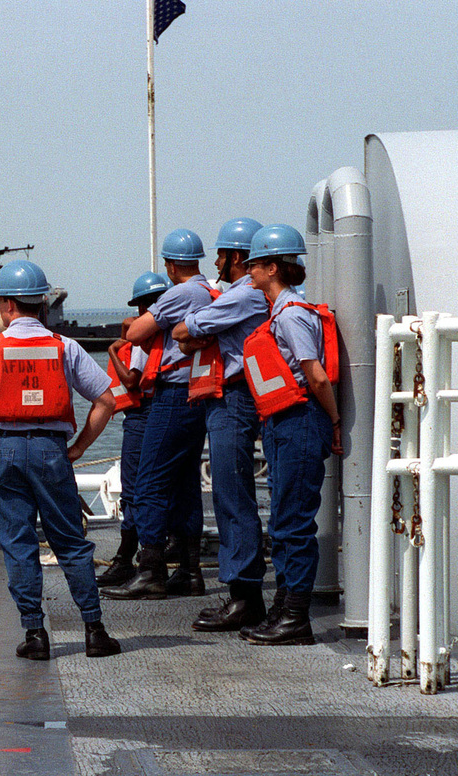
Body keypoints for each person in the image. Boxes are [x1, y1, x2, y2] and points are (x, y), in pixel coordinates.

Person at [0, 259, 121, 660]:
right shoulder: (65, 347)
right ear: (42, 304)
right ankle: (94, 630)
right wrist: (80, 447)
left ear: (6, 305)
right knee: (71, 542)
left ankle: (35, 636)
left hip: (3, 449)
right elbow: (106, 401)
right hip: (51, 452)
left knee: (18, 544)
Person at [239, 224, 342, 646]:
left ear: (271, 267)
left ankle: (296, 616)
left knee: (294, 521)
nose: (248, 272)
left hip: (300, 420)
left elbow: (315, 375)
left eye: (254, 265)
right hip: (283, 423)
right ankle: (284, 607)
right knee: (282, 518)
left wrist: (333, 421)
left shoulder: (293, 314)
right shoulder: (280, 312)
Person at [101, 229, 213, 601]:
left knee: (148, 482)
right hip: (198, 393)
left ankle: (150, 570)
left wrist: (125, 336)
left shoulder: (180, 293)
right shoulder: (212, 292)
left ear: (170, 264)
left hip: (172, 394)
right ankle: (190, 570)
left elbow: (137, 331)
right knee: (184, 483)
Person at [171, 218, 271, 631]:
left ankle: (246, 597)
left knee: (232, 496)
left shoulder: (244, 295)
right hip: (231, 399)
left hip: (235, 399)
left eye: (221, 253)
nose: (214, 261)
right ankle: (245, 595)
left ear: (238, 258)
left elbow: (182, 330)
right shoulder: (245, 296)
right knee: (232, 494)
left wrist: (194, 332)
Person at [96, 271, 169, 588]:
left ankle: (126, 559)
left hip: (141, 414)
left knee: (135, 487)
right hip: (164, 409)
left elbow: (131, 381)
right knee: (158, 487)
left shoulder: (142, 337)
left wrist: (114, 350)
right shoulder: (170, 333)